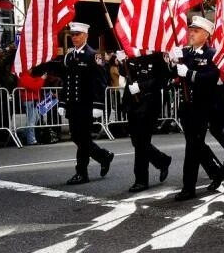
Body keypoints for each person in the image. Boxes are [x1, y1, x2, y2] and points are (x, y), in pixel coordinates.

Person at [172, 16, 224, 201]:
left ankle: (189, 187)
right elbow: (173, 75)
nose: (191, 33)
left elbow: (212, 77)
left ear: (206, 34)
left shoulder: (212, 54)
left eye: (196, 31)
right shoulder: (185, 53)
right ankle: (217, 171)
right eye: (190, 30)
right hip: (186, 107)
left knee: (192, 147)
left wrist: (190, 74)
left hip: (202, 107)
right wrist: (172, 63)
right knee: (195, 143)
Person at [58, 22, 114, 185]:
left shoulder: (94, 55)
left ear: (86, 35)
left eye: (78, 34)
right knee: (77, 137)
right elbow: (66, 81)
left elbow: (100, 82)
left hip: (87, 104)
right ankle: (103, 156)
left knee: (82, 139)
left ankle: (81, 173)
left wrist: (98, 105)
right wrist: (62, 102)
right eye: (73, 35)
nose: (74, 37)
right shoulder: (69, 56)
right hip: (73, 104)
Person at [118, 48, 172, 192]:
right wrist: (120, 61)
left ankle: (141, 180)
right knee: (137, 141)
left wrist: (141, 87)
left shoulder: (158, 57)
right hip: (132, 104)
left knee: (142, 142)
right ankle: (162, 160)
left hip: (148, 104)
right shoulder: (132, 54)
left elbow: (162, 78)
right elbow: (125, 72)